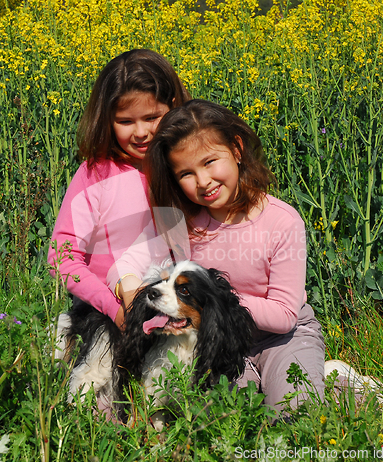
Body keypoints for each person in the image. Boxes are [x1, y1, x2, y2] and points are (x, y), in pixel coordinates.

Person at [141, 99, 326, 414]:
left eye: (210, 161)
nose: (203, 181)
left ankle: (338, 384)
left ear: (237, 150)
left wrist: (218, 299)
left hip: (282, 339)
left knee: (294, 414)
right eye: (186, 173)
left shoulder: (282, 221)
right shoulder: (181, 224)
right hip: (217, 341)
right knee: (221, 420)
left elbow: (284, 316)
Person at [47, 49, 190, 330]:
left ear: (173, 106)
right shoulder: (94, 175)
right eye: (125, 121)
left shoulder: (187, 166)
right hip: (107, 313)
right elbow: (62, 258)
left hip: (177, 309)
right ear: (106, 118)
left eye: (152, 117)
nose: (140, 132)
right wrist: (114, 309)